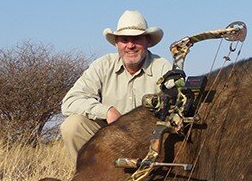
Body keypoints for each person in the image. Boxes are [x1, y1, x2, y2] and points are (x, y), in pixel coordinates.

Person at [60, 10, 171, 162]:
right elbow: (70, 102)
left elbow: (180, 104)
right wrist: (106, 111)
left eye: (136, 39)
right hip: (111, 139)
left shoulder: (163, 68)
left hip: (149, 141)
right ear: (116, 43)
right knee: (72, 126)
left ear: (148, 41)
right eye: (124, 40)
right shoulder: (103, 65)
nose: (130, 46)